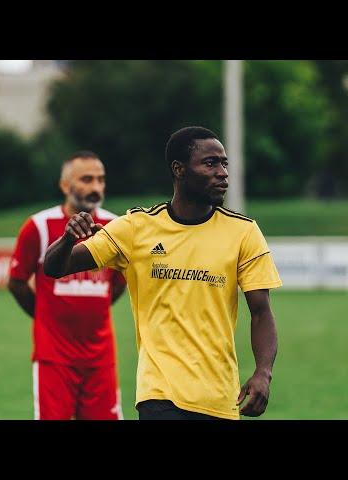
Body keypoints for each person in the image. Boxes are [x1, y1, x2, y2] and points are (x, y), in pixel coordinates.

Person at [43, 127, 282, 420]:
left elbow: (261, 312)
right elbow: (55, 267)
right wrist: (68, 238)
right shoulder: (135, 228)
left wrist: (263, 373)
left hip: (219, 398)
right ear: (179, 170)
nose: (222, 173)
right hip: (159, 395)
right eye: (210, 163)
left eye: (224, 163)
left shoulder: (244, 232)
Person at [8, 151, 127, 420]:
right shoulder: (38, 226)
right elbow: (15, 282)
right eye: (86, 179)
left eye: (100, 179)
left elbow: (119, 283)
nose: (95, 187)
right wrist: (45, 317)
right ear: (65, 185)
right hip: (54, 358)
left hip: (101, 358)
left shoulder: (116, 226)